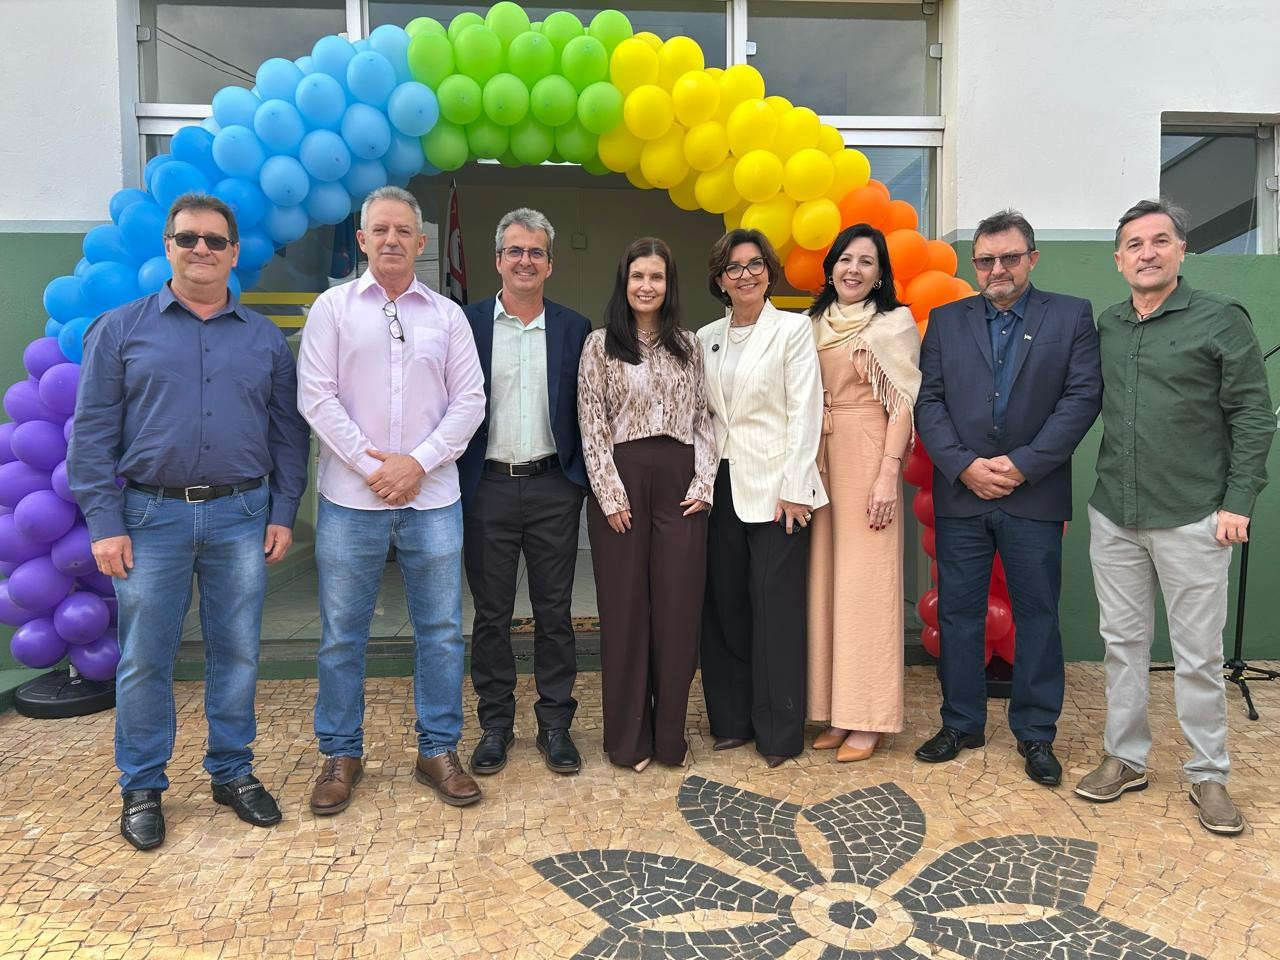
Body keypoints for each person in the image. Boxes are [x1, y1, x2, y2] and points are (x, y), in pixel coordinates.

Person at [68, 192, 310, 851]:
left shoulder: (264, 340)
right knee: (147, 657)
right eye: (188, 239)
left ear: (233, 253)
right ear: (167, 247)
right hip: (149, 517)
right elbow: (90, 436)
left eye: (214, 241)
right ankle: (142, 785)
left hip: (241, 513)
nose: (201, 249)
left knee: (236, 651)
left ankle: (232, 772)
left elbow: (288, 436)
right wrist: (104, 522)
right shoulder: (120, 330)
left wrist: (284, 510)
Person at [1075, 199, 1274, 834]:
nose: (1147, 253)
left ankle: (1208, 773)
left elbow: (1252, 414)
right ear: (1118, 259)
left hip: (1194, 516)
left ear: (1182, 251)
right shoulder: (1107, 325)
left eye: (1160, 241)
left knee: (1196, 655)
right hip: (1115, 513)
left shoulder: (1220, 320)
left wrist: (1239, 500)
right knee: (1123, 646)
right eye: (1134, 244)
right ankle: (1125, 757)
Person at [296, 186, 485, 814]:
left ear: (422, 242)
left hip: (433, 499)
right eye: (380, 230)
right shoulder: (332, 308)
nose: (392, 240)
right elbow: (316, 397)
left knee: (439, 632)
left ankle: (437, 749)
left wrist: (417, 465)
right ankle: (341, 753)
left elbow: (470, 403)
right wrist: (375, 467)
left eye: (404, 231)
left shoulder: (448, 316)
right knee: (342, 636)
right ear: (362, 239)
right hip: (352, 500)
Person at [914, 209, 1101, 787]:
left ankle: (1036, 734)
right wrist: (965, 467)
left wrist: (1021, 466)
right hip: (963, 494)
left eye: (1010, 258)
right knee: (959, 613)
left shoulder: (1070, 316)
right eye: (987, 259)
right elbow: (930, 403)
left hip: (1034, 494)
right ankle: (962, 721)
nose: (998, 269)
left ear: (1032, 259)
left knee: (1038, 615)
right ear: (975, 264)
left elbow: (1081, 398)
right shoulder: (946, 321)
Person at [458, 208, 592, 777]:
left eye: (535, 251)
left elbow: (589, 410)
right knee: (490, 614)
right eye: (514, 250)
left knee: (555, 612)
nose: (524, 260)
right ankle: (495, 724)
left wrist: (579, 480)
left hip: (551, 488)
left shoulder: (575, 328)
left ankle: (555, 725)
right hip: (485, 486)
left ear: (549, 264)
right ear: (497, 260)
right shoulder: (464, 323)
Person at [578, 237, 716, 771]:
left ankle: (669, 739)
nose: (646, 286)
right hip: (622, 481)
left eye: (656, 277)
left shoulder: (689, 345)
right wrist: (610, 494)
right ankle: (627, 741)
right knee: (626, 612)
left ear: (668, 284)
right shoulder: (599, 345)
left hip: (681, 482)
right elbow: (591, 422)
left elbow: (704, 419)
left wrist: (703, 484)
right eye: (638, 276)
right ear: (624, 281)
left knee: (679, 611)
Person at [697, 228, 826, 768]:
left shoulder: (793, 330)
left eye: (754, 265)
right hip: (720, 487)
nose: (744, 274)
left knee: (773, 609)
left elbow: (806, 411)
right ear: (720, 280)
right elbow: (703, 418)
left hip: (779, 491)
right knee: (724, 606)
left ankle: (778, 731)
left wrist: (797, 489)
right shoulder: (705, 337)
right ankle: (730, 721)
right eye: (733, 267)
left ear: (769, 272)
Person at [805, 224, 921, 762]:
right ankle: (830, 709)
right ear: (830, 266)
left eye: (867, 262)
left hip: (869, 452)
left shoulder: (891, 325)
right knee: (825, 584)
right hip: (818, 459)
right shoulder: (810, 324)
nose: (853, 269)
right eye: (845, 259)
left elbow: (902, 404)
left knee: (867, 586)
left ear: (880, 275)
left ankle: (868, 718)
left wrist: (887, 475)